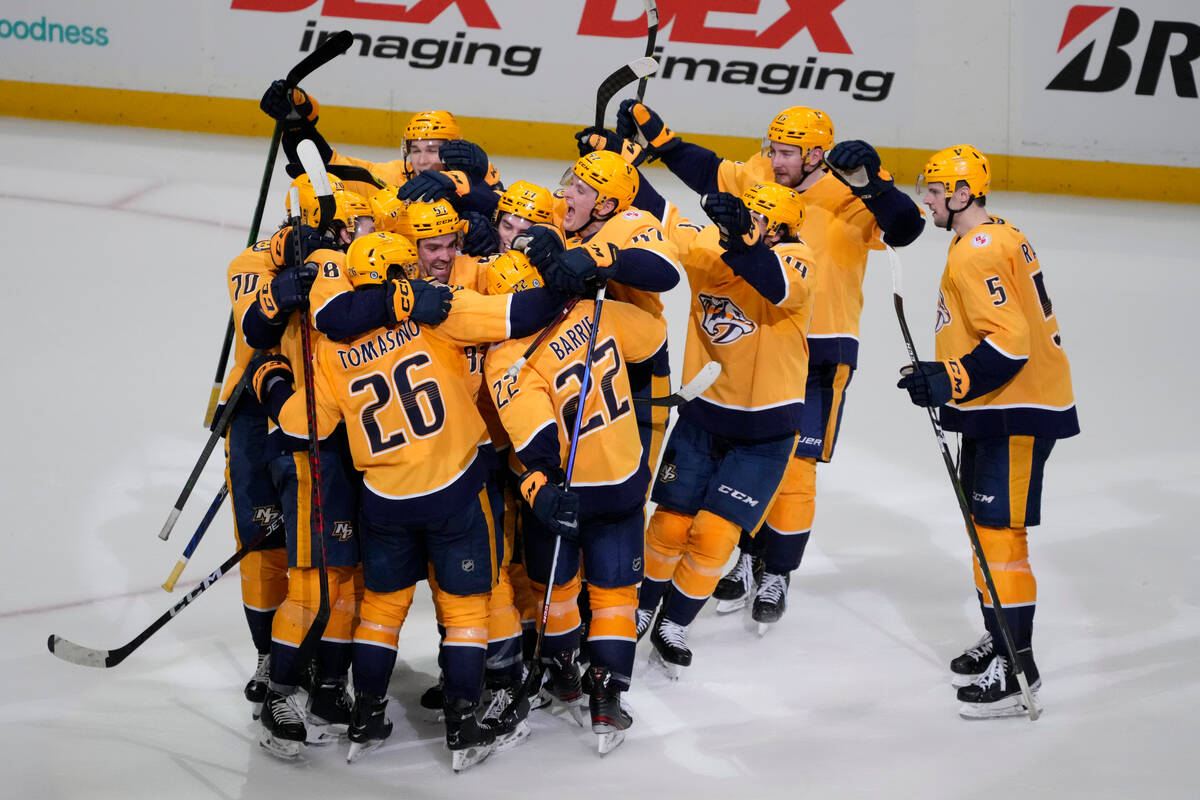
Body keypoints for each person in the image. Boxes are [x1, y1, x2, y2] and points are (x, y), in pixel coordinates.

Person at [252, 232, 567, 769]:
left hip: (384, 500)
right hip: (455, 488)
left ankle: (367, 715)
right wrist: (564, 280)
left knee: (380, 609)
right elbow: (520, 315)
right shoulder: (433, 313)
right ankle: (464, 725)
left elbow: (301, 425)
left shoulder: (330, 348)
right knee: (465, 609)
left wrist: (270, 381)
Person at [618, 101, 924, 625]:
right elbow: (710, 173)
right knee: (750, 458)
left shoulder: (849, 185)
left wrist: (875, 185)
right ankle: (741, 554)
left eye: (788, 152)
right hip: (752, 345)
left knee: (796, 471)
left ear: (816, 155)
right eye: (773, 149)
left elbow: (905, 229)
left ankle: (775, 567)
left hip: (824, 345)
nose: (776, 161)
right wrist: (661, 141)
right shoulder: (760, 175)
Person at [897, 144, 1079, 718]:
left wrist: (948, 378)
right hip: (995, 407)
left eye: (933, 191)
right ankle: (1000, 634)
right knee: (985, 532)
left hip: (1015, 410)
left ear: (961, 193)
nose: (925, 199)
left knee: (1000, 539)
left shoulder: (976, 250)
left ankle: (1016, 665)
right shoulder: (993, 235)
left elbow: (1011, 341)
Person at [484, 250, 667, 754]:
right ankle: (607, 697)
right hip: (625, 477)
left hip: (565, 493)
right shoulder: (592, 311)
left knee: (556, 590)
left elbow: (535, 436)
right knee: (615, 596)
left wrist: (539, 484)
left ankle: (563, 669)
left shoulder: (505, 357)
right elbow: (653, 336)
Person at [636, 183, 816, 676]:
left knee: (714, 535)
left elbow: (776, 284)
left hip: (765, 431)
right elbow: (662, 216)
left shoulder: (798, 257)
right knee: (669, 524)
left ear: (777, 230)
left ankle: (675, 621)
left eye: (754, 219)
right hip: (703, 417)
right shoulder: (712, 247)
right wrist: (628, 168)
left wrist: (742, 238)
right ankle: (644, 604)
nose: (738, 226)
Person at [242, 176, 372, 759]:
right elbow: (257, 332)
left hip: (362, 454)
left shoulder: (370, 276)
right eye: (355, 226)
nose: (363, 236)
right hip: (308, 451)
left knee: (346, 582)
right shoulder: (308, 278)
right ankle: (279, 692)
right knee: (313, 584)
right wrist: (278, 298)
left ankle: (324, 690)